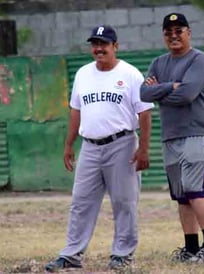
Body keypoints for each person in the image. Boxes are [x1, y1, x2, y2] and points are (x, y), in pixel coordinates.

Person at [45, 25, 153, 272]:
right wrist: (69, 144)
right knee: (81, 202)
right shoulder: (83, 73)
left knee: (124, 202)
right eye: (95, 44)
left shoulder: (130, 74)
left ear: (115, 46)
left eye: (104, 44)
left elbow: (145, 113)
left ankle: (122, 254)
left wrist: (144, 149)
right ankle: (71, 255)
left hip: (122, 144)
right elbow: (76, 111)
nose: (98, 48)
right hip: (90, 147)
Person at [140, 13, 204, 263]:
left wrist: (161, 91)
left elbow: (187, 95)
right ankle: (191, 248)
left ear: (189, 32)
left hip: (195, 132)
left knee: (196, 190)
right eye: (169, 31)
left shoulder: (199, 59)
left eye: (179, 30)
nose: (174, 35)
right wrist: (171, 87)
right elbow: (143, 93)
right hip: (170, 136)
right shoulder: (158, 62)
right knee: (181, 195)